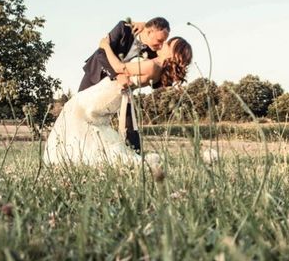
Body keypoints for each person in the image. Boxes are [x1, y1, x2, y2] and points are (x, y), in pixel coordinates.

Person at [43, 36, 192, 166]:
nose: (164, 44)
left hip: (109, 91)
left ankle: (67, 157)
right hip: (115, 93)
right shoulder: (158, 70)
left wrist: (105, 46)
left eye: (168, 44)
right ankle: (76, 156)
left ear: (173, 53)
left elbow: (119, 67)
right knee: (88, 122)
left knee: (76, 111)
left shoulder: (152, 65)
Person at [78, 17, 170, 151]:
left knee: (129, 120)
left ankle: (135, 154)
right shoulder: (124, 28)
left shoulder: (152, 50)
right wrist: (117, 75)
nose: (160, 45)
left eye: (164, 42)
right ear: (149, 32)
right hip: (96, 74)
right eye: (159, 40)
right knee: (80, 112)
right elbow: (101, 52)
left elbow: (157, 81)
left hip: (122, 88)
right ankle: (78, 149)